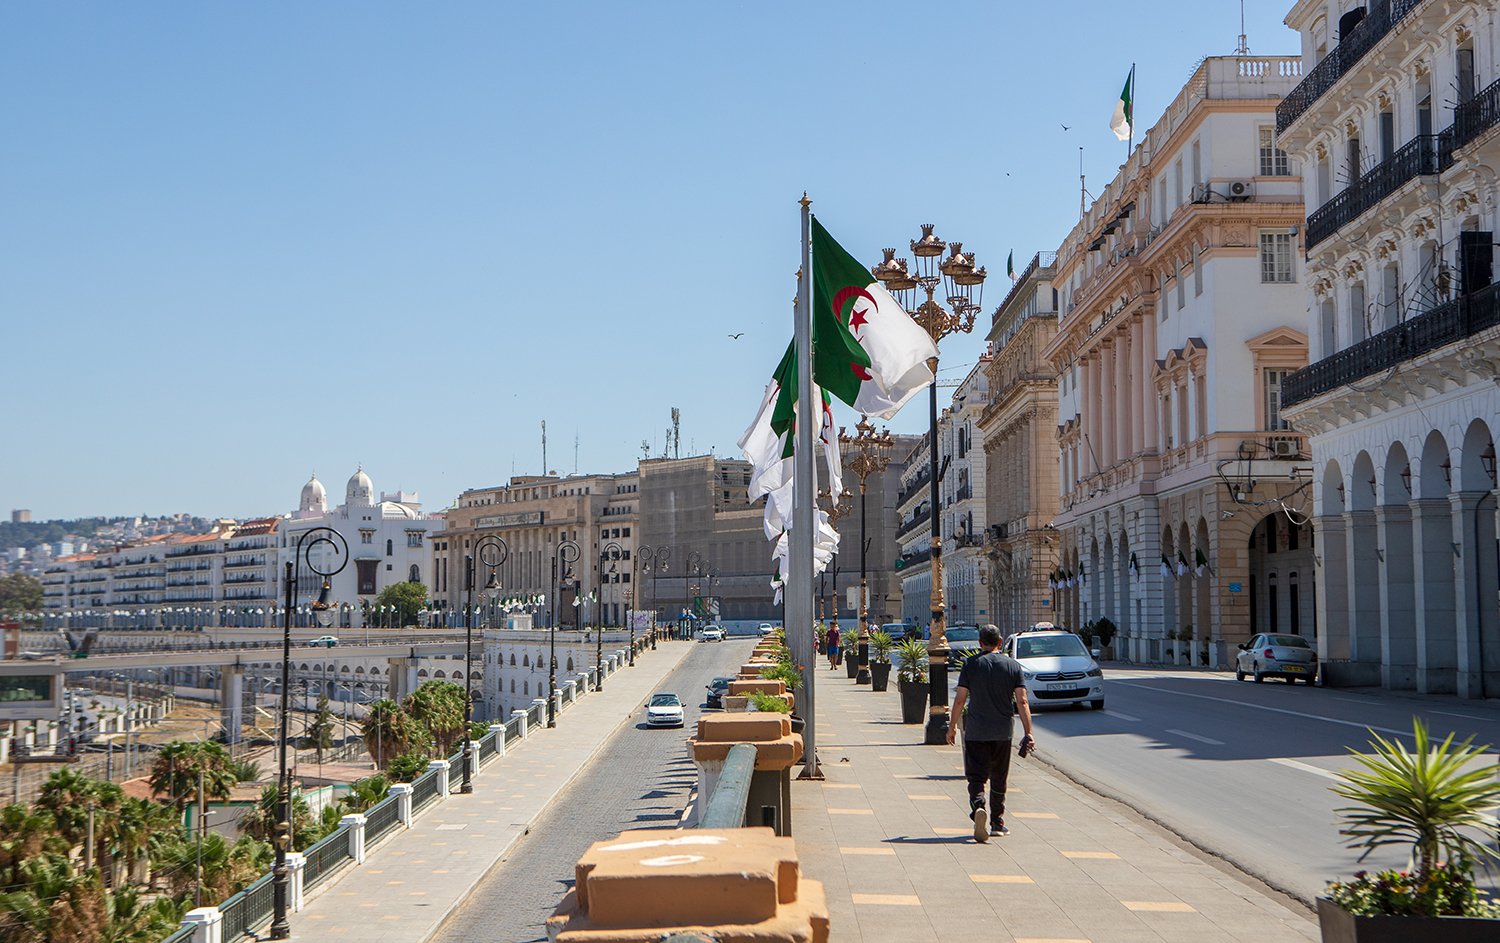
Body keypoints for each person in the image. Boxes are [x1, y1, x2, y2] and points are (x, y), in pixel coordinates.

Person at [947, 624, 1033, 843]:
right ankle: (997, 822)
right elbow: (1022, 701)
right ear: (1001, 642)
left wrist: (952, 726)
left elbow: (960, 698)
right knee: (999, 778)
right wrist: (1028, 732)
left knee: (976, 776)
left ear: (980, 643)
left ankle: (978, 806)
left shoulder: (971, 664)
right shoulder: (1012, 666)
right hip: (1003, 732)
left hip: (976, 731)